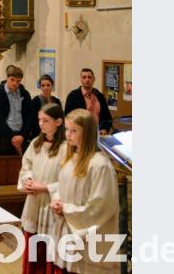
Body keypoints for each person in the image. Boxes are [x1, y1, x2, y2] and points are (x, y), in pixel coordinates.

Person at [48, 109, 121, 273]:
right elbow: (61, 186)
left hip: (89, 237)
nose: (68, 134)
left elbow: (101, 207)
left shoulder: (99, 165)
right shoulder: (70, 158)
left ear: (87, 133)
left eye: (74, 130)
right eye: (67, 129)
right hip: (68, 228)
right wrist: (57, 200)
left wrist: (65, 209)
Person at [17, 103, 68, 273]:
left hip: (53, 205)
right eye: (39, 120)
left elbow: (70, 180)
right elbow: (26, 165)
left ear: (59, 122)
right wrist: (28, 180)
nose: (41, 124)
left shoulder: (66, 148)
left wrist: (46, 187)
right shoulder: (36, 143)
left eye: (46, 120)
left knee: (50, 252)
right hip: (34, 202)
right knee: (34, 249)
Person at [0, 66, 34, 155]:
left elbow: (30, 115)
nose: (15, 83)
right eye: (12, 80)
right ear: (7, 77)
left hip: (21, 135)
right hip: (4, 136)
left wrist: (22, 135)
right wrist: (12, 137)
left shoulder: (25, 93)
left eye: (18, 81)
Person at [64, 68, 113, 134]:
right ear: (81, 80)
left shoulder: (100, 96)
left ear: (94, 79)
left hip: (98, 133)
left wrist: (105, 129)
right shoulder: (73, 96)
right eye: (84, 77)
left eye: (89, 77)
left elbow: (107, 118)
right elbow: (68, 117)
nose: (87, 80)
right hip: (81, 134)